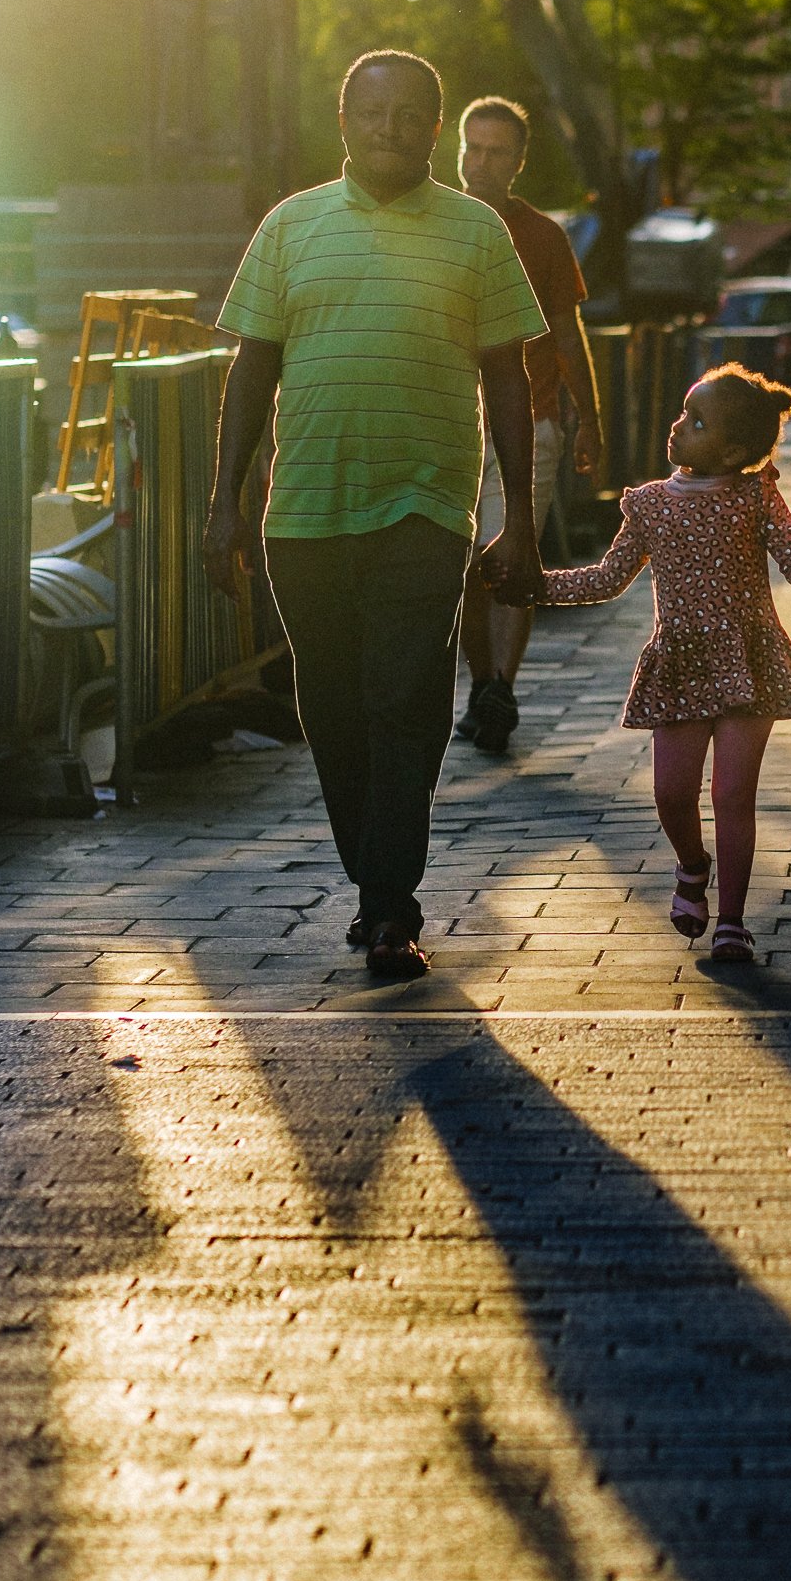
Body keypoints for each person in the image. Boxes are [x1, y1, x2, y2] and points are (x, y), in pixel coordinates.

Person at [202, 50, 549, 982]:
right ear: (345, 120)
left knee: (406, 701)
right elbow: (251, 371)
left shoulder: (476, 233)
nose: (390, 130)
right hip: (304, 513)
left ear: (433, 130)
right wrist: (224, 504)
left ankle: (390, 903)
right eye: (373, 113)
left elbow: (508, 379)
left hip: (425, 506)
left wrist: (516, 518)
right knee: (335, 711)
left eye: (409, 116)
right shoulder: (290, 226)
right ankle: (377, 881)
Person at [525, 365, 791, 964]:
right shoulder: (648, 504)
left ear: (732, 450)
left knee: (731, 794)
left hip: (750, 660)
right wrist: (536, 585)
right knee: (672, 793)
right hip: (680, 662)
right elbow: (606, 579)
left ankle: (732, 921)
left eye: (695, 422)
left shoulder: (756, 497)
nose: (677, 428)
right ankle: (692, 866)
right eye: (682, 413)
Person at [454, 95, 608, 755]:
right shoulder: (429, 223)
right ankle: (482, 681)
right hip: (447, 422)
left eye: (496, 153)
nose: (482, 163)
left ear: (518, 162)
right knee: (459, 565)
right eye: (472, 149)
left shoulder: (543, 237)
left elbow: (569, 333)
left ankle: (501, 689)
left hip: (532, 419)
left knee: (512, 555)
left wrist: (589, 421)